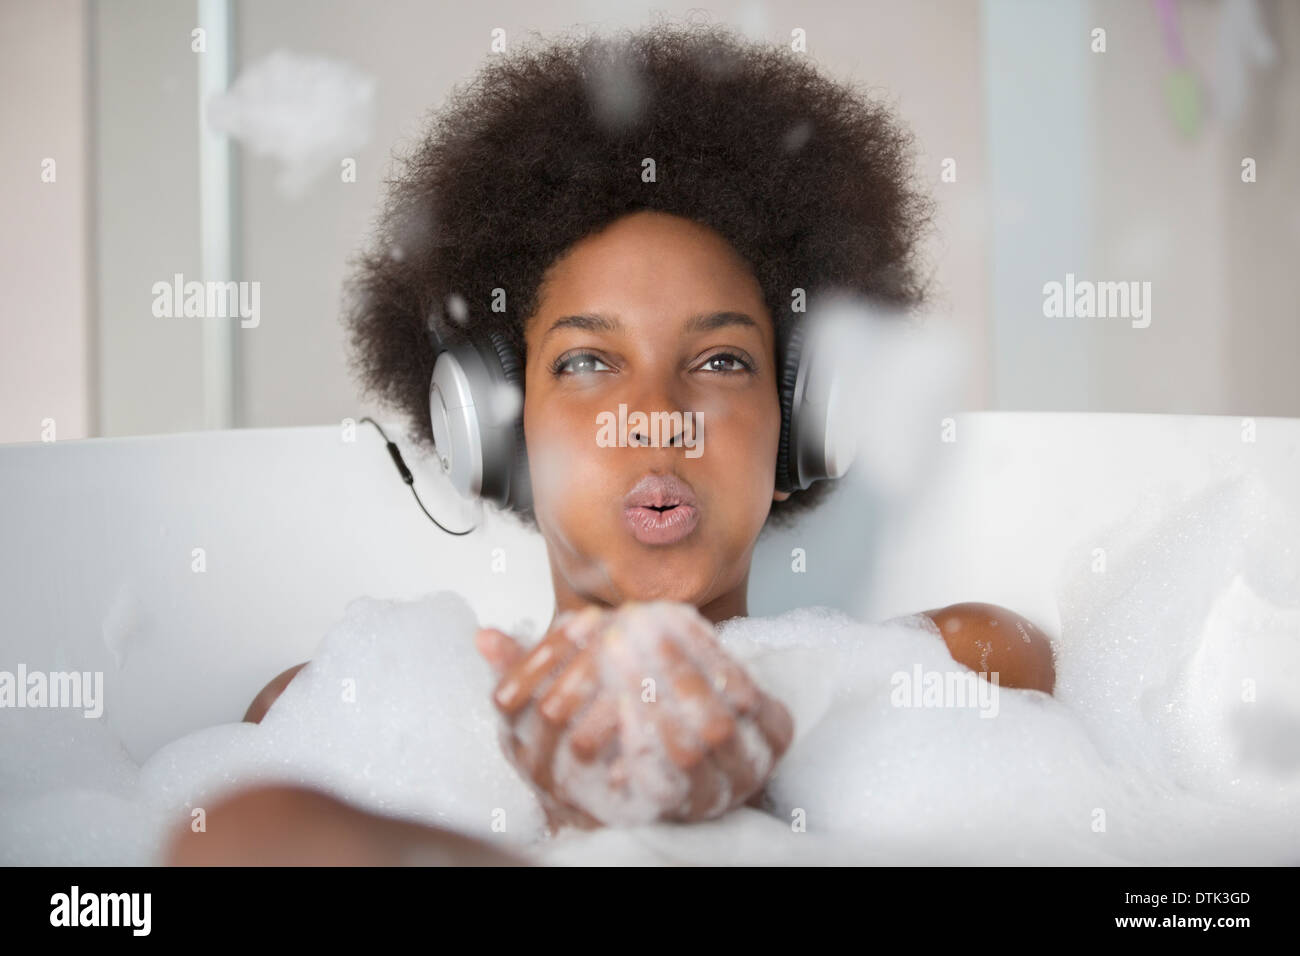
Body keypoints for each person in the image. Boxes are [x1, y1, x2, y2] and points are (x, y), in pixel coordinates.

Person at [165, 22, 1053, 866]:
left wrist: (753, 775)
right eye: (589, 360)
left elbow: (1025, 660)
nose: (655, 414)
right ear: (499, 439)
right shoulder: (331, 715)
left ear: (803, 429)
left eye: (720, 360)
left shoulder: (953, 674)